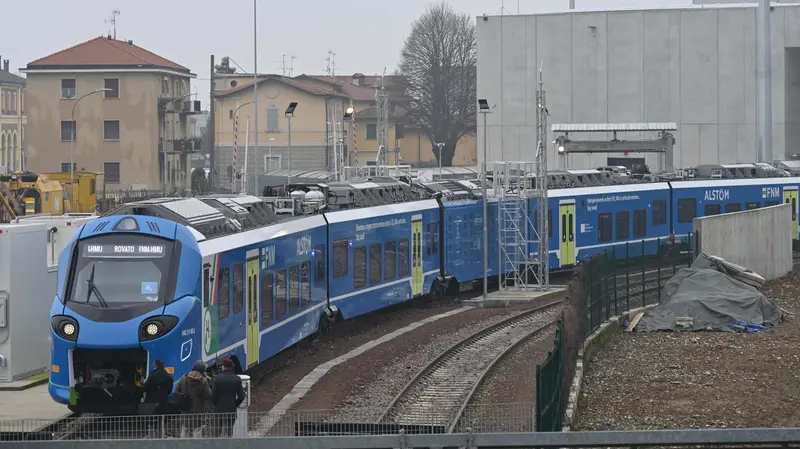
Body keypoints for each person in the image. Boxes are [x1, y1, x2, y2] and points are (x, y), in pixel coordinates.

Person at [174, 360, 212, 437]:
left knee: (185, 430)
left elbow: (176, 391)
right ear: (202, 370)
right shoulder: (203, 381)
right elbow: (207, 395)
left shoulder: (184, 378)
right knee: (197, 431)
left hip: (186, 409)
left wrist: (184, 396)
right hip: (198, 411)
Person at [211, 358, 245, 437]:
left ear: (223, 367)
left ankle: (216, 445)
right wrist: (234, 404)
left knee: (217, 430)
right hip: (231, 410)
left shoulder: (217, 378)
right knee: (229, 431)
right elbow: (241, 396)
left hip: (218, 410)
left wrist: (216, 404)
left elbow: (213, 395)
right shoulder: (237, 379)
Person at [141, 360, 174, 436]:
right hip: (163, 403)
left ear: (155, 365)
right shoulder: (169, 377)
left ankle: (152, 437)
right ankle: (161, 436)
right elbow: (169, 391)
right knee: (161, 421)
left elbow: (144, 388)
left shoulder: (152, 376)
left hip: (151, 402)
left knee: (152, 422)